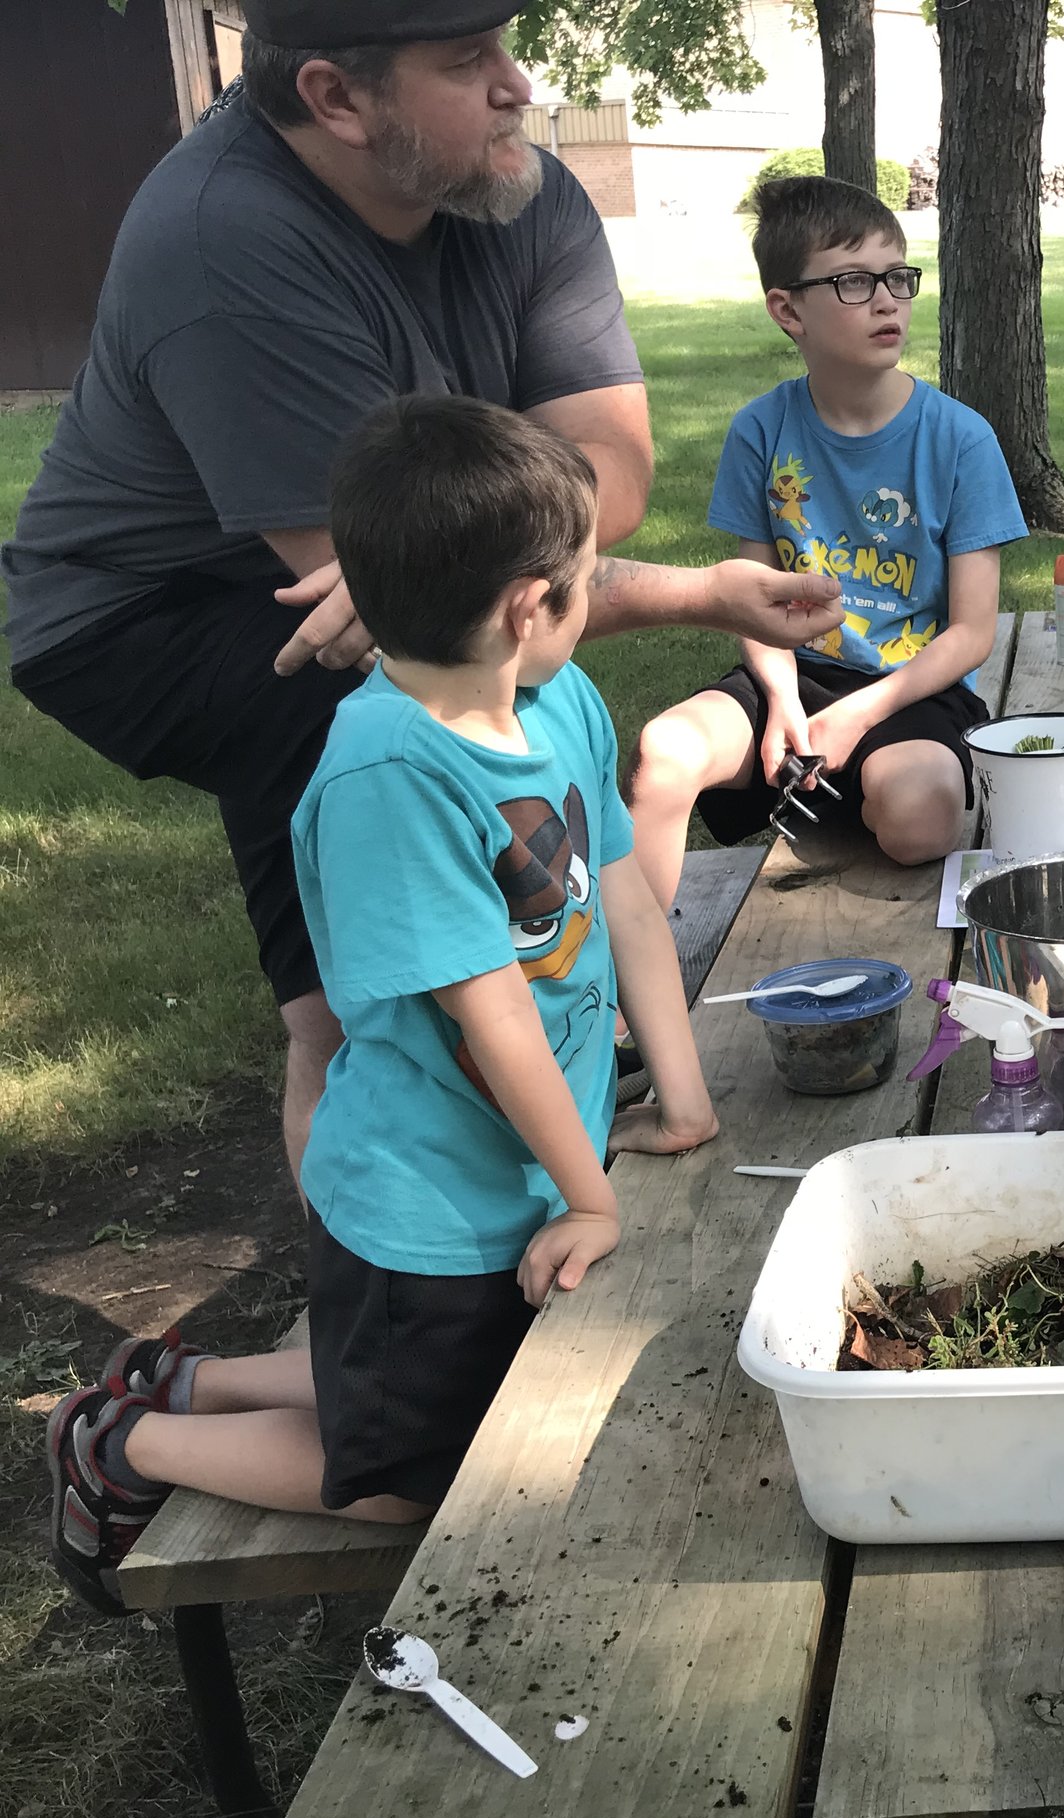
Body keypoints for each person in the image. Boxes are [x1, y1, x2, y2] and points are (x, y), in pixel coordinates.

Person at [2, 5, 840, 1184]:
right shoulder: (222, 241)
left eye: (503, 43)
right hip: (153, 614)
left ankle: (538, 1111)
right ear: (338, 98)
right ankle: (387, 1294)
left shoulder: (517, 189)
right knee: (373, 959)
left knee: (510, 782)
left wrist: (503, 534)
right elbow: (435, 602)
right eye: (467, 63)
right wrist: (690, 588)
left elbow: (611, 480)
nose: (519, 85)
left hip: (353, 583)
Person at [44, 396, 718, 1617]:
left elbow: (624, 902)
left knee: (435, 1384)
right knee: (406, 1475)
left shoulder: (555, 700)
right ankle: (121, 1442)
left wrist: (683, 1099)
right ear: (530, 606)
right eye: (585, 579)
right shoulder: (388, 772)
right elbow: (493, 1014)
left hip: (523, 1173)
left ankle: (180, 1380)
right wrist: (593, 1194)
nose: (590, 596)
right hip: (426, 1205)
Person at [627, 176, 1027, 900]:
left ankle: (842, 785)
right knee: (663, 754)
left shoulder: (961, 439)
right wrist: (783, 702)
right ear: (788, 310)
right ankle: (631, 981)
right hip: (792, 674)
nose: (886, 300)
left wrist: (857, 716)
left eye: (897, 278)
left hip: (911, 688)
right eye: (852, 281)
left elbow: (971, 634)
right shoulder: (761, 429)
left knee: (920, 820)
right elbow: (752, 601)